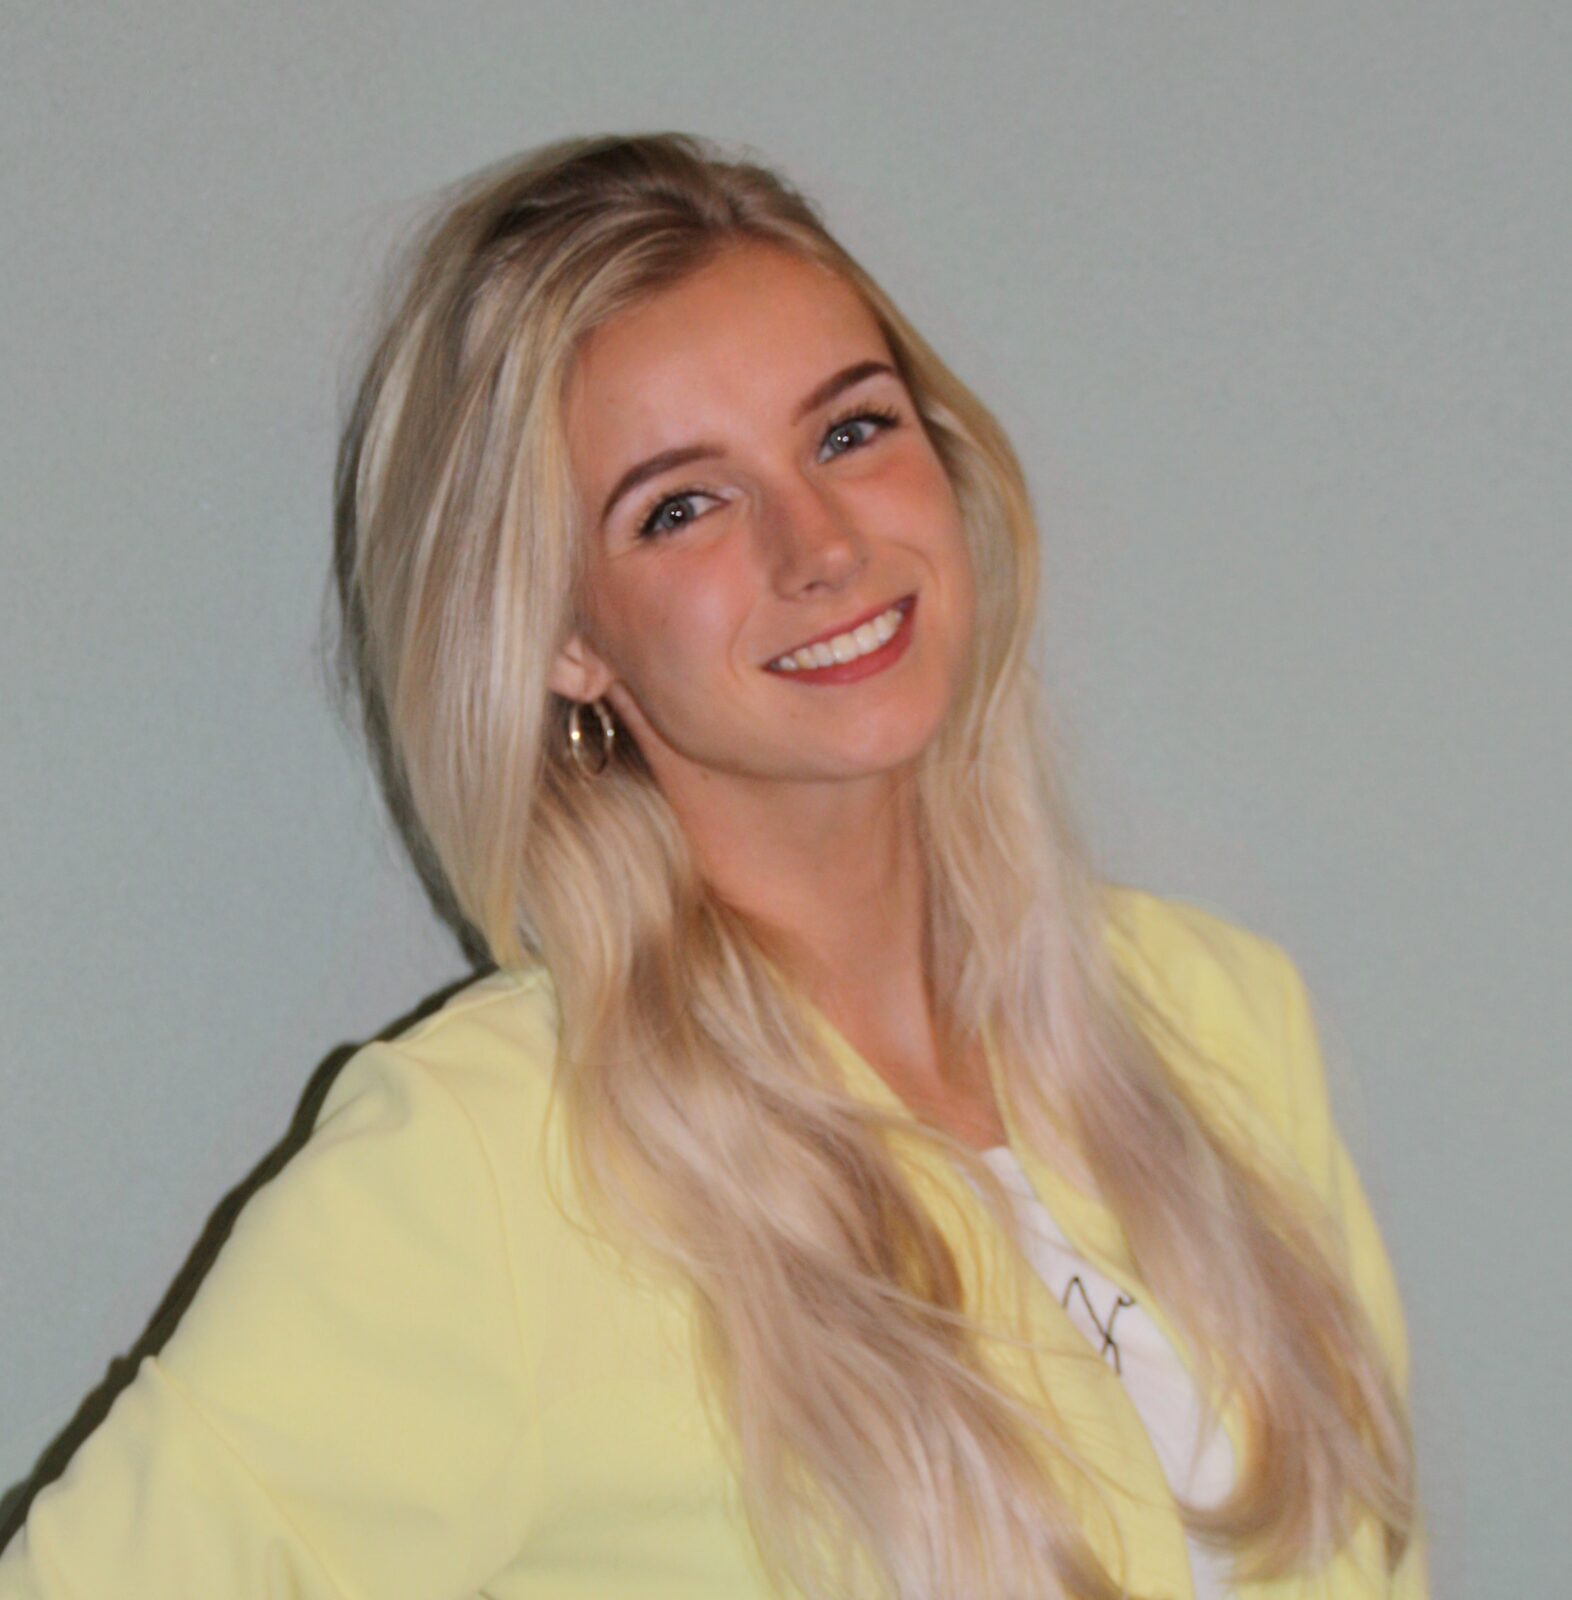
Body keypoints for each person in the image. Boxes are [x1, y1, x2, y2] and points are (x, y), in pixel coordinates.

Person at [0, 132, 1424, 1600]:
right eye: (681, 507)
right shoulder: (486, 1163)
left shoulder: (1220, 1019)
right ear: (565, 636)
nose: (820, 545)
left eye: (851, 431)